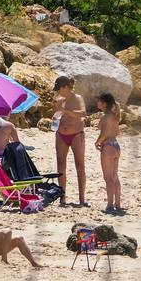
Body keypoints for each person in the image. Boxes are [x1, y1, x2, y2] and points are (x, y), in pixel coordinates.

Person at [53, 75, 87, 206]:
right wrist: (55, 119)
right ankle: (62, 197)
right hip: (61, 134)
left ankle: (82, 198)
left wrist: (67, 112)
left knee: (80, 165)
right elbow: (57, 115)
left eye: (59, 88)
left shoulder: (77, 98)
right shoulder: (59, 100)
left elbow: (83, 113)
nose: (58, 91)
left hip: (76, 134)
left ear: (66, 87)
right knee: (61, 165)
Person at [94, 93, 123, 215]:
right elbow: (116, 131)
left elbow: (104, 133)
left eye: (99, 101)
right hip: (116, 145)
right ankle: (118, 203)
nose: (97, 103)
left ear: (104, 103)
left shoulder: (105, 117)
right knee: (115, 176)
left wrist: (97, 142)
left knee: (108, 178)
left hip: (108, 147)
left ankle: (110, 204)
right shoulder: (115, 116)